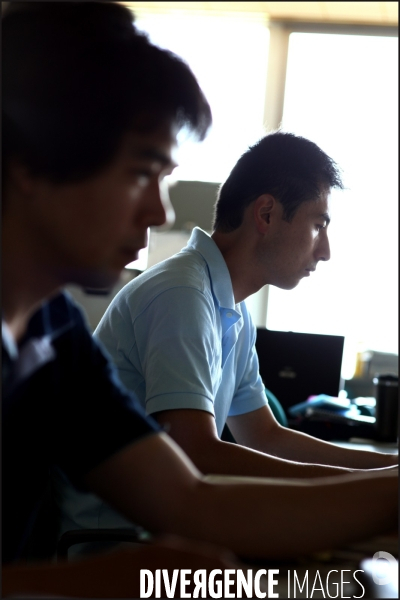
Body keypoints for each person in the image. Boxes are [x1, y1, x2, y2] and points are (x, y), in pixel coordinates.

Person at [2, 2, 397, 598]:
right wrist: (87, 585)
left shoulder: (52, 331)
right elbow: (197, 459)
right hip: (120, 545)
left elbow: (191, 496)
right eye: (143, 173)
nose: (160, 212)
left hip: (154, 553)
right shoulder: (178, 291)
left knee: (358, 584)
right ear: (33, 162)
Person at [54, 132, 399, 535]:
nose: (325, 251)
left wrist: (387, 469)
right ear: (266, 214)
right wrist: (367, 490)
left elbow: (265, 436)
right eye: (318, 225)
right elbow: (196, 450)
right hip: (116, 542)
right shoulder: (182, 292)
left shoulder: (231, 306)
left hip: (162, 529)